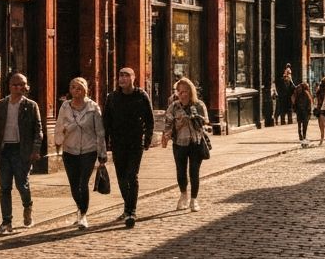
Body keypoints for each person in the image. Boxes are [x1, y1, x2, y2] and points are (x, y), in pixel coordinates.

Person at [0, 72, 44, 235]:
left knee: (21, 185)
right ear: (9, 86)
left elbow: (38, 131)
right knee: (4, 187)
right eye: (15, 85)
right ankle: (6, 222)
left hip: (21, 151)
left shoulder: (31, 106)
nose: (19, 88)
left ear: (26, 86)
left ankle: (28, 205)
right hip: (4, 151)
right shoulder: (0, 106)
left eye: (22, 85)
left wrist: (35, 150)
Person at [103, 67, 154, 228]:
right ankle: (128, 207)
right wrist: (105, 143)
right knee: (121, 177)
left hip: (135, 142)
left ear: (133, 78)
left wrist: (147, 139)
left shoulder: (141, 96)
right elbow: (106, 122)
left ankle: (131, 211)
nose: (122, 78)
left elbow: (149, 119)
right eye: (120, 75)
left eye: (126, 76)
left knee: (132, 175)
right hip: (118, 143)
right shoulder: (112, 98)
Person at [54, 76, 107, 230]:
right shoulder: (65, 106)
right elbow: (58, 126)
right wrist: (58, 141)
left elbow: (100, 132)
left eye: (79, 88)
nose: (75, 91)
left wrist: (102, 153)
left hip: (88, 150)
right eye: (73, 88)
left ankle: (83, 215)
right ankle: (79, 207)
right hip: (69, 149)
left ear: (85, 90)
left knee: (83, 183)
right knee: (73, 184)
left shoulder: (93, 107)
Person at [160, 76, 210, 212]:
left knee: (194, 172)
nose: (182, 95)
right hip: (179, 143)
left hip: (196, 142)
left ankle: (194, 200)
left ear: (191, 92)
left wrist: (195, 118)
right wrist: (167, 133)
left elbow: (206, 122)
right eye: (179, 92)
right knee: (181, 172)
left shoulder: (199, 105)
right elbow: (168, 124)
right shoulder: (174, 107)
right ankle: (183, 195)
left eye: (185, 91)